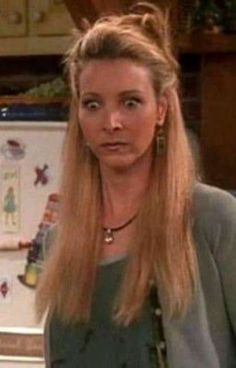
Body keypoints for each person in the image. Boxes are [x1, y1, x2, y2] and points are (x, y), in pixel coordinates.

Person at [36, 3, 236, 367]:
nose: (111, 122)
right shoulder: (61, 241)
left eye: (130, 102)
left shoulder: (212, 219)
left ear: (161, 110)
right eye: (93, 104)